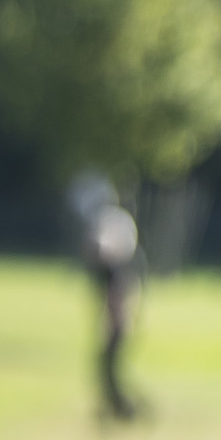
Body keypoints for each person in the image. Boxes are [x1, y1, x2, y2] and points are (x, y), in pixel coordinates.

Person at [71, 174, 146, 424]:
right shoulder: (115, 268)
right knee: (107, 367)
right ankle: (116, 409)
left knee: (108, 367)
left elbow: (117, 297)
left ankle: (126, 409)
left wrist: (114, 321)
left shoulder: (114, 270)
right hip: (116, 318)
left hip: (117, 320)